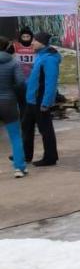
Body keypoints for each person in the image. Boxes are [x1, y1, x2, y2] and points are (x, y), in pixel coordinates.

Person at [22, 32, 61, 166]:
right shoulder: (40, 55)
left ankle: (50, 157)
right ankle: (26, 155)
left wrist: (46, 102)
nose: (32, 43)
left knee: (45, 129)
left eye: (35, 41)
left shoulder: (49, 58)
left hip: (40, 100)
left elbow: (51, 82)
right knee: (26, 126)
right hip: (32, 99)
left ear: (42, 43)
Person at [0, 39, 28, 177]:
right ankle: (19, 167)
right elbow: (21, 82)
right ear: (8, 47)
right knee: (15, 136)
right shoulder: (13, 62)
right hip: (9, 102)